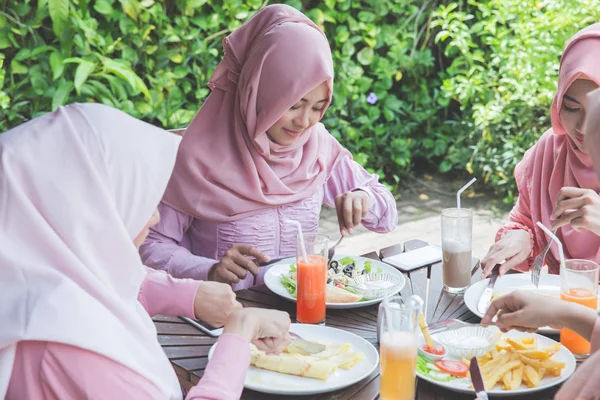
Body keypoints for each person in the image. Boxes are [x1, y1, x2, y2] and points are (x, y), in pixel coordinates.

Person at [0, 103, 291, 400]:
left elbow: (106, 275)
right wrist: (240, 334)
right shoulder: (77, 353)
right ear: (87, 215)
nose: (153, 218)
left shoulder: (27, 283)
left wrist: (185, 295)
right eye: (136, 201)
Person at [140, 4, 398, 289]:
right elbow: (151, 247)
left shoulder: (317, 147)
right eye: (293, 105)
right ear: (257, 90)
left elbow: (387, 217)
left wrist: (365, 198)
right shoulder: (198, 157)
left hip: (306, 311)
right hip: (226, 318)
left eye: (317, 107)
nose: (304, 122)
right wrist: (209, 270)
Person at [480, 23, 600, 278]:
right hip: (559, 308)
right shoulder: (550, 151)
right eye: (570, 108)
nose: (583, 127)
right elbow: (525, 220)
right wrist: (521, 238)